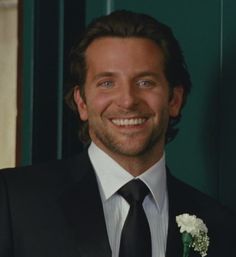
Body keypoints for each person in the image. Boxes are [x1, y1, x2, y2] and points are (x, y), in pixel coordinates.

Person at [0, 10, 235, 257]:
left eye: (145, 82)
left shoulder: (222, 226)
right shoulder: (12, 202)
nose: (127, 100)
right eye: (107, 83)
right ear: (81, 102)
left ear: (174, 99)